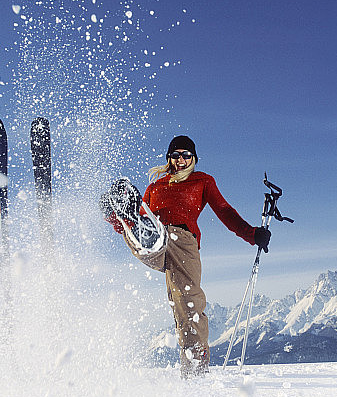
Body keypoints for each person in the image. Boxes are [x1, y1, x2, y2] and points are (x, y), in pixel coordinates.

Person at [108, 135, 270, 378]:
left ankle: (194, 371)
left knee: (186, 306)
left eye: (186, 155)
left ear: (194, 158)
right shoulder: (155, 187)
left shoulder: (203, 181)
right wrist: (118, 223)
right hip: (157, 237)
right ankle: (125, 217)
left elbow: (224, 211)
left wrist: (252, 234)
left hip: (184, 243)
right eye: (176, 155)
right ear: (169, 159)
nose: (181, 160)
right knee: (139, 224)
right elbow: (144, 213)